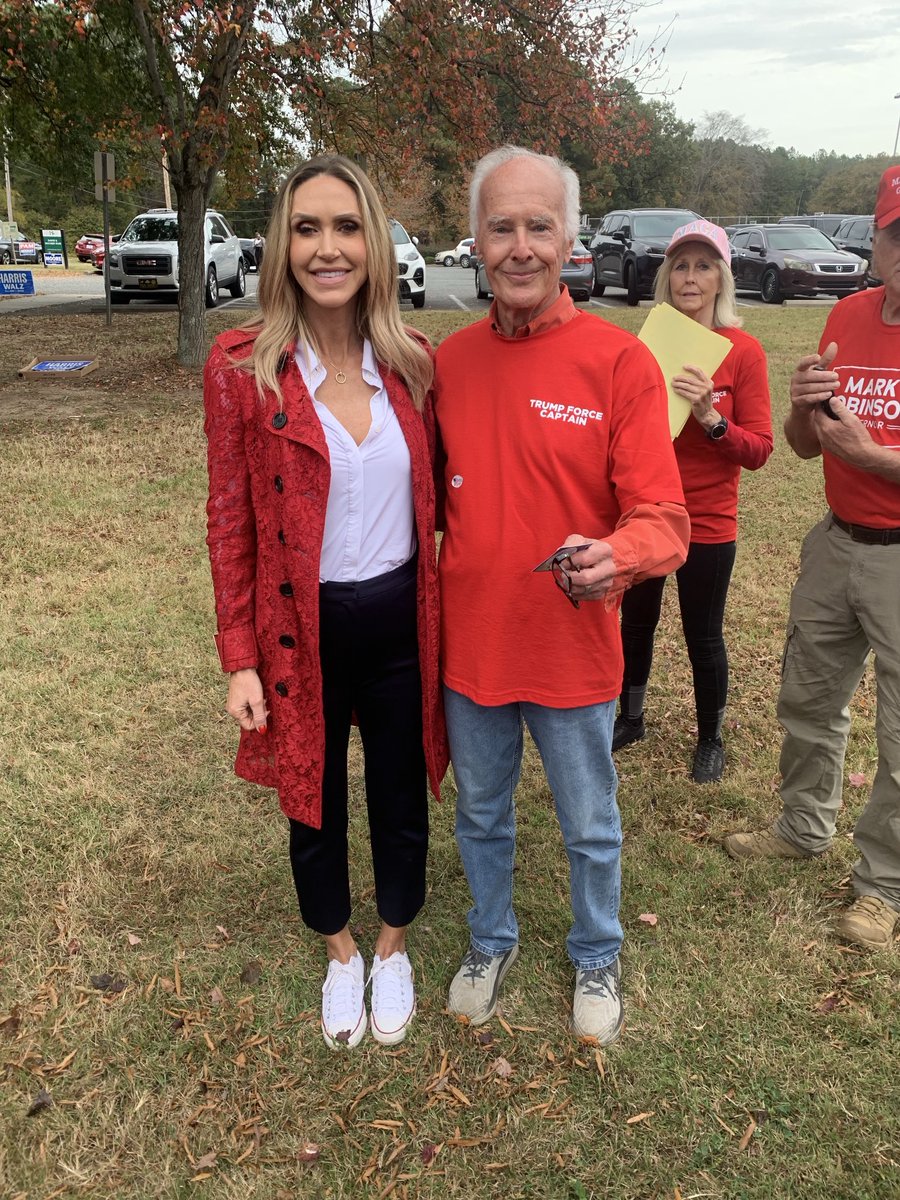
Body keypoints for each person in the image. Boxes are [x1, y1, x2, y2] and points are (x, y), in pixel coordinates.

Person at [433, 145, 690, 1043]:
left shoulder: (618, 364)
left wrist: (616, 554)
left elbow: (665, 518)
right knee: (480, 813)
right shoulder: (449, 365)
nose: (520, 246)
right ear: (474, 237)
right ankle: (490, 939)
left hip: (573, 646)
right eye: (501, 225)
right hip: (473, 646)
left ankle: (596, 951)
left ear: (570, 237)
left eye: (539, 225)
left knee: (590, 824)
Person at [203, 154, 448, 1049]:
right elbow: (230, 518)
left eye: (347, 227)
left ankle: (392, 945)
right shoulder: (242, 370)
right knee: (310, 799)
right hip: (297, 631)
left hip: (399, 621)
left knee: (399, 792)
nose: (328, 247)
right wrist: (239, 655)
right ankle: (340, 954)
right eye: (307, 228)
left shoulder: (416, 365)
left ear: (374, 242)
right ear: (282, 245)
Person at [724, 164, 900, 951]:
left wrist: (878, 456)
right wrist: (802, 409)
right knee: (808, 698)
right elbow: (800, 447)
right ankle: (803, 825)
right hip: (836, 542)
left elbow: (864, 449)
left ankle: (883, 887)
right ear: (880, 244)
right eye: (899, 236)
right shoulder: (851, 316)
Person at [613, 220, 773, 783]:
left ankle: (710, 739)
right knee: (636, 623)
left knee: (702, 634)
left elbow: (758, 450)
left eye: (704, 266)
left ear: (721, 279)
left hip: (707, 519)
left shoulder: (743, 352)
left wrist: (710, 417)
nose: (690, 277)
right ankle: (630, 718)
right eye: (680, 265)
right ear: (665, 277)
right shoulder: (643, 347)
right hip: (647, 512)